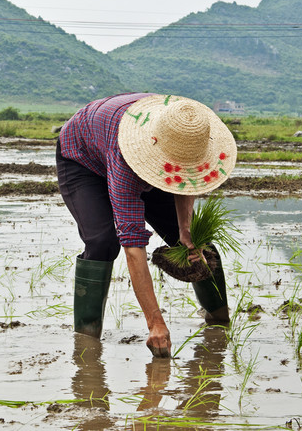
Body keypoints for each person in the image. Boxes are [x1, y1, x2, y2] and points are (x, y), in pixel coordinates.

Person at [56, 93, 237, 357]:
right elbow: (133, 246)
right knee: (102, 242)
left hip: (134, 146)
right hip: (82, 158)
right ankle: (86, 342)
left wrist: (185, 231)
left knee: (194, 242)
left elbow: (187, 181)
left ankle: (220, 322)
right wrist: (156, 324)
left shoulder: (185, 126)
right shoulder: (126, 159)